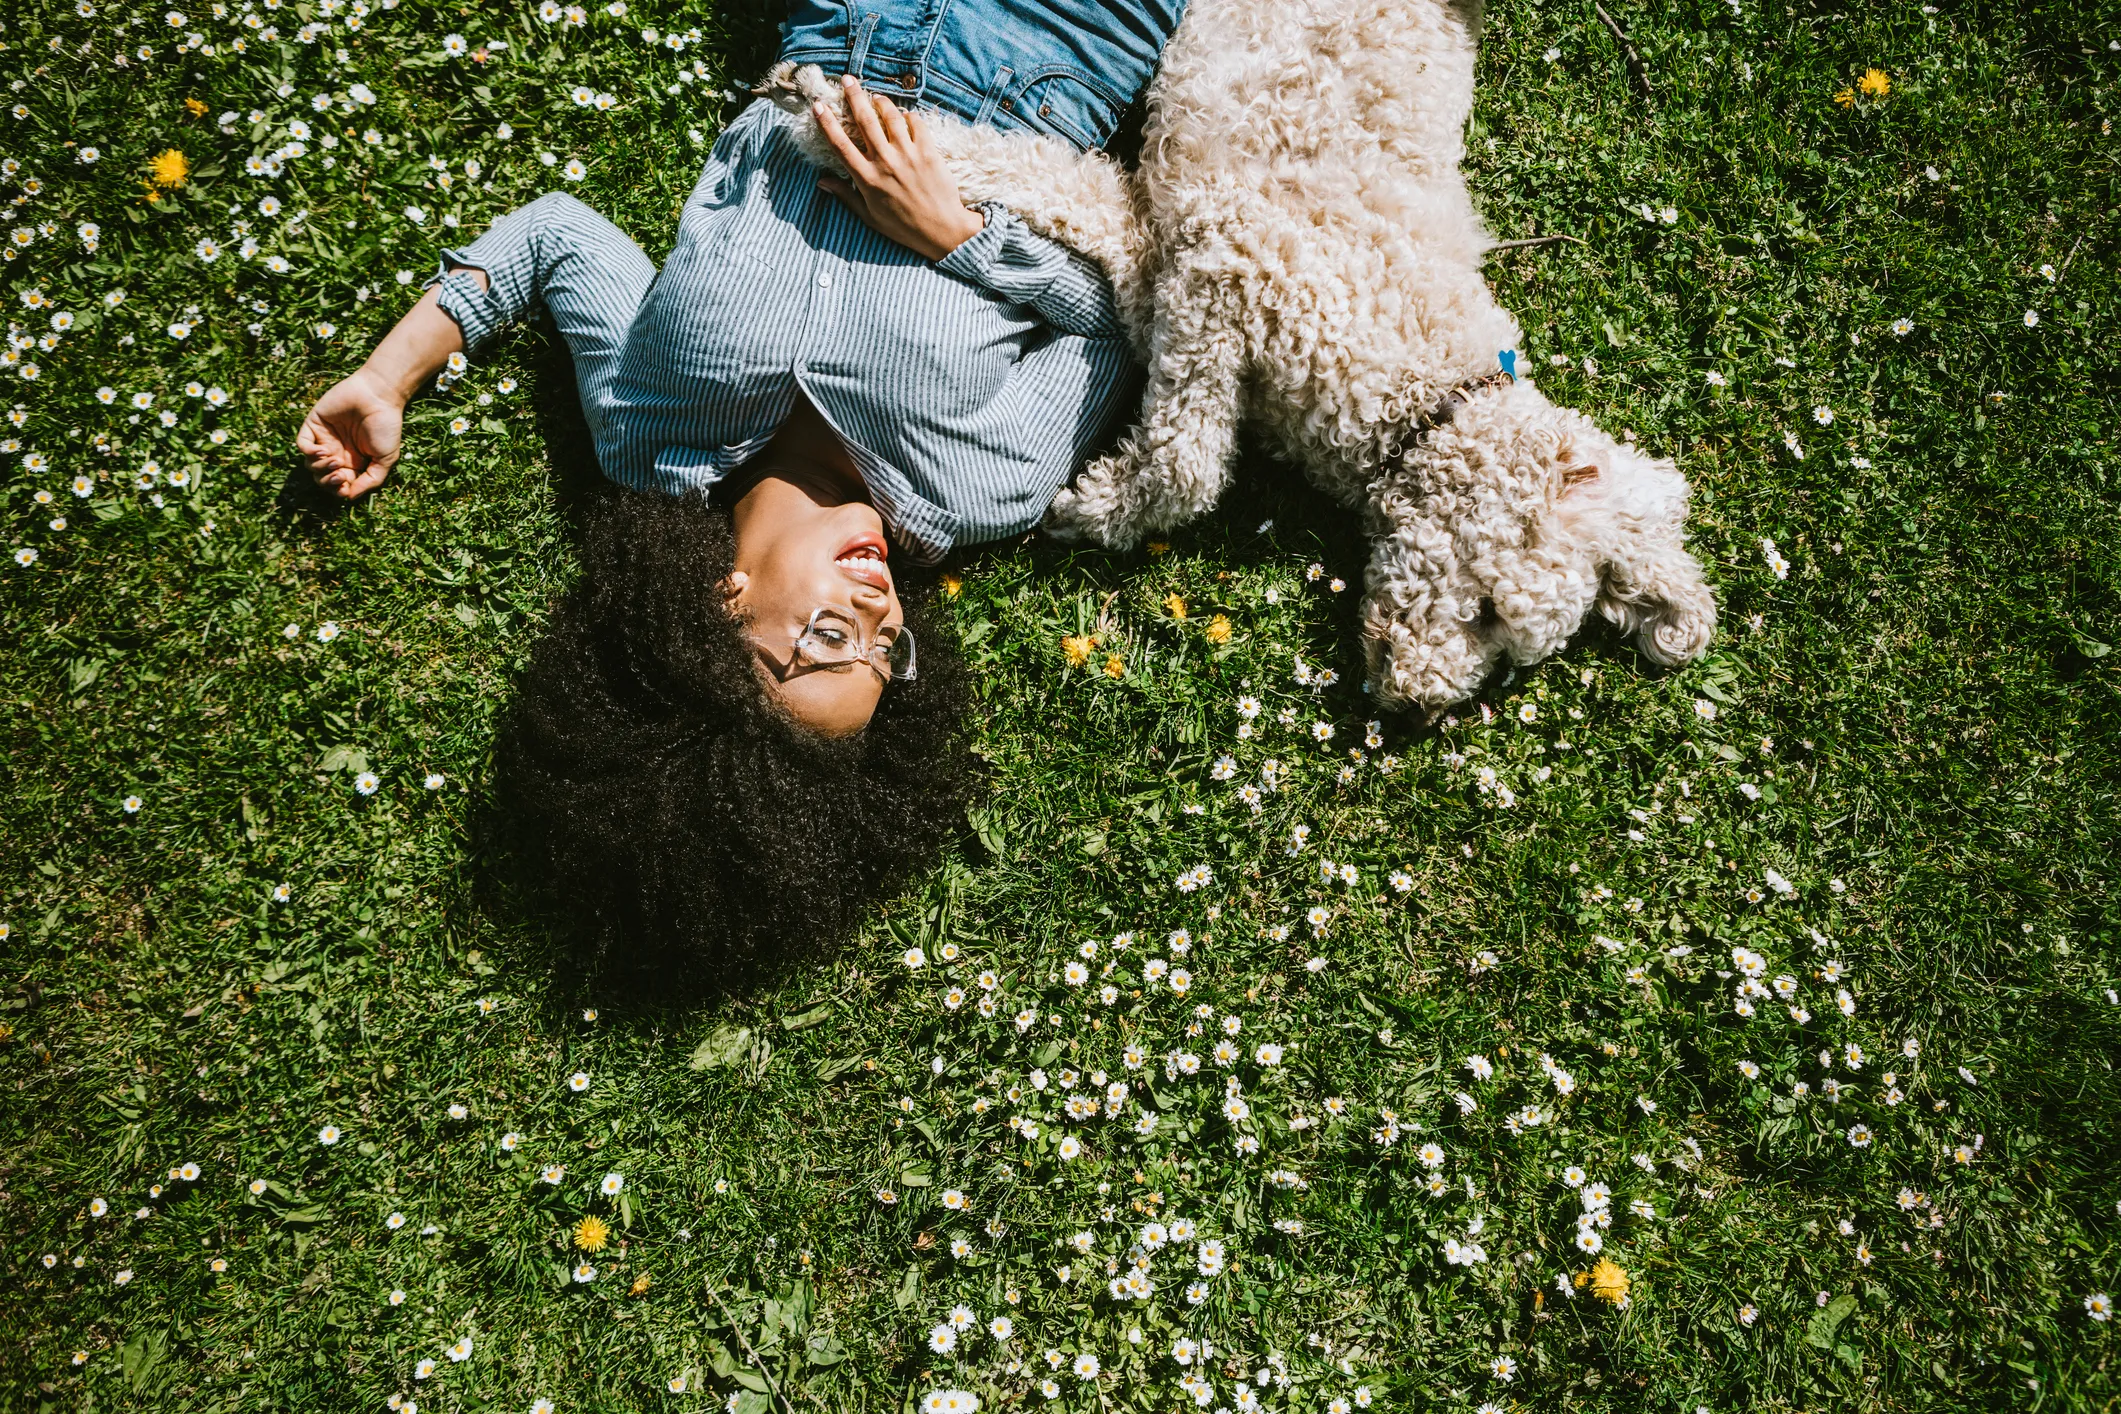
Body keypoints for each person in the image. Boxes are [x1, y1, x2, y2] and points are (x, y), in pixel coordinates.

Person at [295, 0, 1184, 976]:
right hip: (1059, 50)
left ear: (718, 613)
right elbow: (1115, 324)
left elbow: (556, 241)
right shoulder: (978, 491)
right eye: (890, 648)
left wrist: (388, 379)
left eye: (833, 638)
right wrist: (958, 234)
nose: (879, 608)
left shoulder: (649, 434)